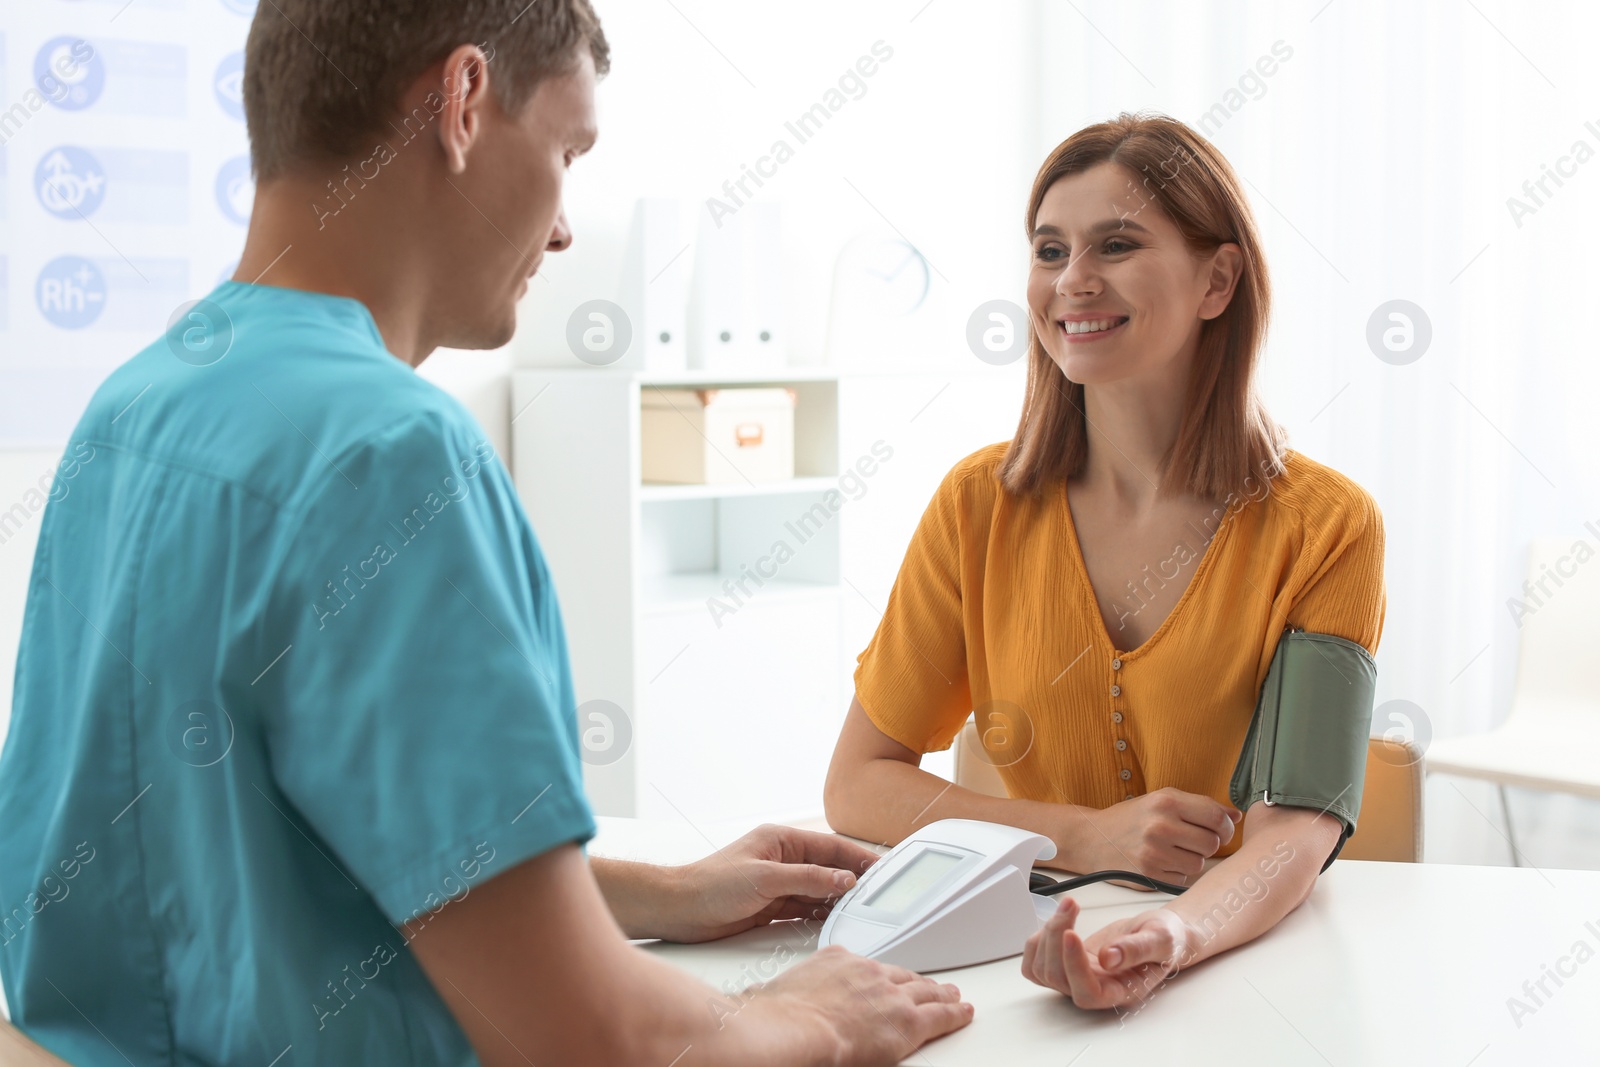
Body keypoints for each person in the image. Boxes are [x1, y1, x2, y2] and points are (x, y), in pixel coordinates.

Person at [0, 2, 972, 1063]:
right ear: (462, 102)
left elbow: (245, 859)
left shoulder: (133, 405)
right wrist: (811, 1016)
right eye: (566, 149)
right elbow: (588, 1040)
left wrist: (659, 892)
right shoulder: (389, 455)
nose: (561, 227)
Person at [824, 113, 1386, 1010]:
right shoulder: (977, 505)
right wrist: (1084, 837)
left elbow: (1296, 827)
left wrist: (1173, 933)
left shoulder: (1326, 527)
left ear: (1219, 278)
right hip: (1029, 963)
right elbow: (857, 785)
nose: (1073, 280)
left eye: (1116, 244)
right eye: (1050, 250)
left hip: (1245, 965)